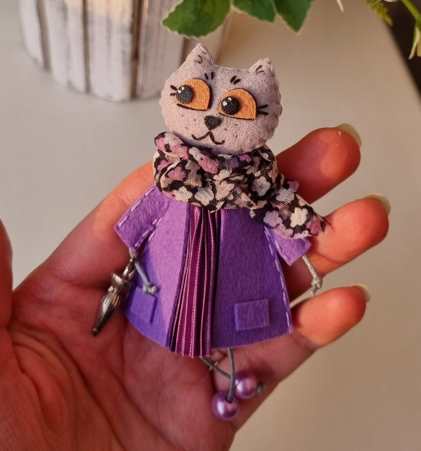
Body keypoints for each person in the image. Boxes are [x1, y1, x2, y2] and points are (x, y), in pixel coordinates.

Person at [0, 127, 389, 451]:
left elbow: (275, 220)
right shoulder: (175, 179)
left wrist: (299, 252)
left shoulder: (255, 184)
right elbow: (137, 224)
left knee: (246, 316)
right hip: (158, 302)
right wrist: (132, 243)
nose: (216, 122)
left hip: (236, 292)